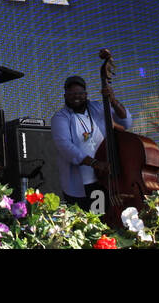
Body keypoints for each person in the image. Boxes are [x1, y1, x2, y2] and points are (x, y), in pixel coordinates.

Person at [50, 74, 131, 209]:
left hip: (107, 179)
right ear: (65, 96)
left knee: (107, 218)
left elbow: (126, 122)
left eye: (80, 93)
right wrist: (95, 163)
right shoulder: (60, 117)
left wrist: (113, 101)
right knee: (90, 222)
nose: (76, 96)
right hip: (82, 185)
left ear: (86, 94)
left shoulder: (98, 107)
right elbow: (65, 146)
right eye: (72, 93)